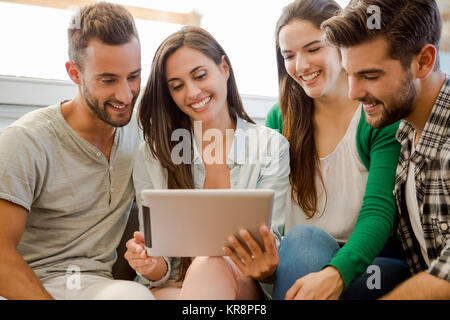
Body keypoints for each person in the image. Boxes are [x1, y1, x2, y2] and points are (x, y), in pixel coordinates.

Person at [0, 2, 154, 300]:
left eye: (133, 76)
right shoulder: (26, 141)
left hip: (98, 286)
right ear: (74, 73)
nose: (125, 94)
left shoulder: (140, 135)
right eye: (108, 80)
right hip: (26, 286)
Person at [124, 26, 290, 300]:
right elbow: (158, 263)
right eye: (177, 86)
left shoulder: (271, 147)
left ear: (224, 67)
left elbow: (271, 251)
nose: (192, 93)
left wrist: (264, 265)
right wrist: (150, 263)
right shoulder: (152, 155)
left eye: (200, 75)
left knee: (210, 264)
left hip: (242, 289)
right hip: (176, 291)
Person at [265, 0, 411, 300]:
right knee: (304, 244)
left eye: (313, 48)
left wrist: (336, 274)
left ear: (342, 46)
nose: (301, 66)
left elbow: (379, 213)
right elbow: (272, 211)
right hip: (298, 258)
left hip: (371, 264)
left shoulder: (376, 114)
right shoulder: (279, 118)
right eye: (289, 55)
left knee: (306, 249)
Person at [322, 0, 450, 299]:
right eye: (348, 74)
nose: (353, 93)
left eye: (370, 76)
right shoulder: (404, 131)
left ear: (423, 61)